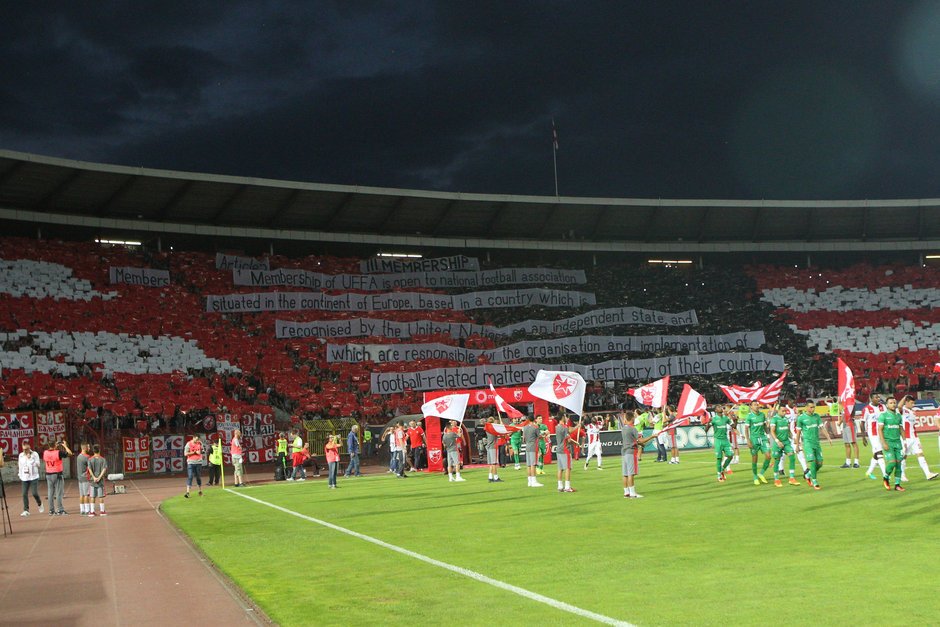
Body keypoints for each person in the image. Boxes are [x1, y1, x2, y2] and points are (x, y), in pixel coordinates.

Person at [899, 396, 939, 481]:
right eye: (911, 403)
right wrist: (905, 397)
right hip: (905, 438)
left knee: (920, 454)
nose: (913, 404)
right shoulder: (903, 410)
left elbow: (913, 427)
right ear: (906, 402)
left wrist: (918, 439)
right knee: (903, 456)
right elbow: (899, 406)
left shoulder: (913, 412)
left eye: (914, 403)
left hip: (914, 437)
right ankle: (901, 475)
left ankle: (928, 474)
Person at [620, 410, 655, 498]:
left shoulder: (623, 428)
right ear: (632, 419)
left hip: (624, 452)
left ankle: (626, 492)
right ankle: (632, 493)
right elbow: (640, 440)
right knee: (631, 473)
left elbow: (635, 440)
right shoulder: (633, 429)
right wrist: (652, 436)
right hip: (631, 452)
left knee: (625, 473)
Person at [878, 397, 905, 491]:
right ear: (887, 405)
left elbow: (901, 429)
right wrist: (883, 443)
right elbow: (880, 430)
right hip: (888, 442)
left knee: (898, 464)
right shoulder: (883, 416)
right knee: (892, 462)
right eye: (891, 403)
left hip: (898, 442)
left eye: (894, 402)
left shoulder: (898, 416)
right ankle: (886, 477)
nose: (893, 404)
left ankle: (897, 484)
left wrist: (905, 441)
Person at [769, 405, 800, 487]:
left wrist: (793, 438)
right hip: (777, 443)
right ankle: (776, 479)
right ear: (778, 411)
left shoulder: (786, 419)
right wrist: (777, 441)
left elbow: (788, 430)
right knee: (777, 460)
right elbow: (772, 431)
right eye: (782, 411)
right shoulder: (774, 419)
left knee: (792, 456)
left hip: (786, 442)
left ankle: (792, 478)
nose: (784, 412)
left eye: (785, 411)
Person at [796, 401, 823, 490]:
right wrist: (797, 445)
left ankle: (807, 474)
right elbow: (798, 432)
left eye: (813, 407)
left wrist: (829, 438)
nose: (813, 409)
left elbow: (822, 427)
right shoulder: (801, 418)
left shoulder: (817, 416)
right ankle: (814, 482)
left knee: (819, 464)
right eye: (811, 407)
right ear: (806, 407)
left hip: (817, 443)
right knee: (812, 462)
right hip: (808, 443)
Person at [743, 401, 772, 485]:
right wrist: (748, 440)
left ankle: (761, 473)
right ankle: (755, 476)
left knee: (768, 456)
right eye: (755, 405)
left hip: (763, 438)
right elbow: (746, 429)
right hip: (754, 439)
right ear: (751, 407)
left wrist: (768, 436)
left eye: (757, 405)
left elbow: (765, 427)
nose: (757, 406)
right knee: (755, 458)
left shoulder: (762, 415)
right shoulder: (749, 416)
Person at [43, 436, 72, 515]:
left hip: (48, 474)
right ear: (55, 445)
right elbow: (70, 453)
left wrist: (54, 446)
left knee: (50, 492)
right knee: (59, 493)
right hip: (57, 474)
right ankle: (60, 509)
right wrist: (65, 446)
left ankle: (51, 510)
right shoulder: (58, 452)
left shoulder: (45, 452)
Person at [862, 395, 887, 480]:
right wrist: (863, 437)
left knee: (876, 454)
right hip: (873, 434)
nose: (878, 399)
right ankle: (885, 474)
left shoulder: (883, 407)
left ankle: (869, 472)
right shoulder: (867, 409)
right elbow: (862, 423)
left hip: (882, 433)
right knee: (880, 453)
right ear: (871, 399)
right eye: (876, 397)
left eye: (879, 397)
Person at [708, 405, 735, 482]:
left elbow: (734, 426)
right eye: (719, 407)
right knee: (719, 458)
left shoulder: (726, 418)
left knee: (730, 455)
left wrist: (735, 420)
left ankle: (722, 469)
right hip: (718, 441)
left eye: (721, 407)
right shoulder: (714, 419)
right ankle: (719, 475)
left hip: (725, 440)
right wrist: (708, 423)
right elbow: (706, 430)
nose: (721, 408)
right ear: (716, 410)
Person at [17, 441, 43, 516]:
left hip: (33, 477)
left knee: (34, 493)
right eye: (24, 449)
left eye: (26, 449)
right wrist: (20, 474)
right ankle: (26, 510)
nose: (25, 451)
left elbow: (38, 465)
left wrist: (31, 458)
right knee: (24, 494)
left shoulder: (35, 454)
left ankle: (39, 503)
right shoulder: (21, 455)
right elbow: (20, 466)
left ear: (29, 447)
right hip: (25, 477)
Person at [555, 415, 580, 492]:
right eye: (565, 417)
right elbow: (568, 439)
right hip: (565, 449)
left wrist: (576, 427)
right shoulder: (564, 427)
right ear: (562, 417)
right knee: (568, 468)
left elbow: (569, 431)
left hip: (559, 449)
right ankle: (567, 487)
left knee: (560, 468)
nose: (567, 418)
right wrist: (576, 443)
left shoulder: (557, 427)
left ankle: (560, 486)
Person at [86, 444, 108, 516]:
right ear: (99, 450)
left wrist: (94, 477)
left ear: (93, 451)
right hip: (100, 481)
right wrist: (99, 477)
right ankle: (102, 511)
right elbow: (104, 469)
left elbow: (89, 469)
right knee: (101, 496)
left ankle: (92, 511)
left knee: (92, 496)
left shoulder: (90, 459)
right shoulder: (103, 459)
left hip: (92, 481)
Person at [838, 403, 861, 469]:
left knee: (853, 443)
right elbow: (843, 416)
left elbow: (851, 414)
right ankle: (848, 462)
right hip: (845, 425)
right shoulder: (843, 406)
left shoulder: (850, 405)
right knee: (846, 444)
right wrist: (840, 422)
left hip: (850, 424)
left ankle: (856, 462)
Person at [485, 417, 502, 483]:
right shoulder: (492, 430)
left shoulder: (487, 429)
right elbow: (500, 432)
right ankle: (495, 477)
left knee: (491, 464)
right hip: (493, 447)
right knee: (494, 463)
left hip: (489, 447)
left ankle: (490, 477)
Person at [76, 442, 91, 516]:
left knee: (81, 495)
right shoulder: (87, 457)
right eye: (88, 447)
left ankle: (82, 509)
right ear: (85, 448)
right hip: (85, 477)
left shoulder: (78, 456)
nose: (89, 448)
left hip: (80, 478)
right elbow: (90, 467)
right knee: (86, 495)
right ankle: (87, 510)